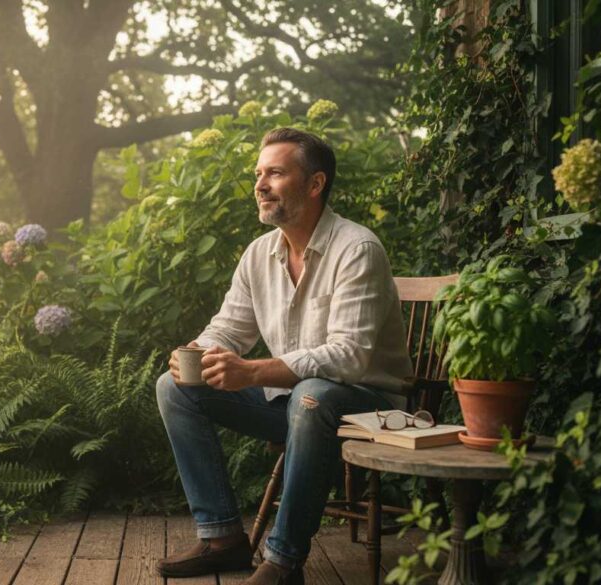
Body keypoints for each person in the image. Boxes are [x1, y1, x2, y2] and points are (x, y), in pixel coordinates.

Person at [155, 128, 413, 585]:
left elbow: (349, 357)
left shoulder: (357, 249)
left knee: (312, 395)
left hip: (369, 408)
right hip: (292, 407)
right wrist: (195, 353)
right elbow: (229, 328)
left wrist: (253, 371)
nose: (260, 184)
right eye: (259, 173)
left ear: (315, 185)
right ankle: (222, 539)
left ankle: (284, 561)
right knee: (174, 388)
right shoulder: (258, 254)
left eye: (275, 173)